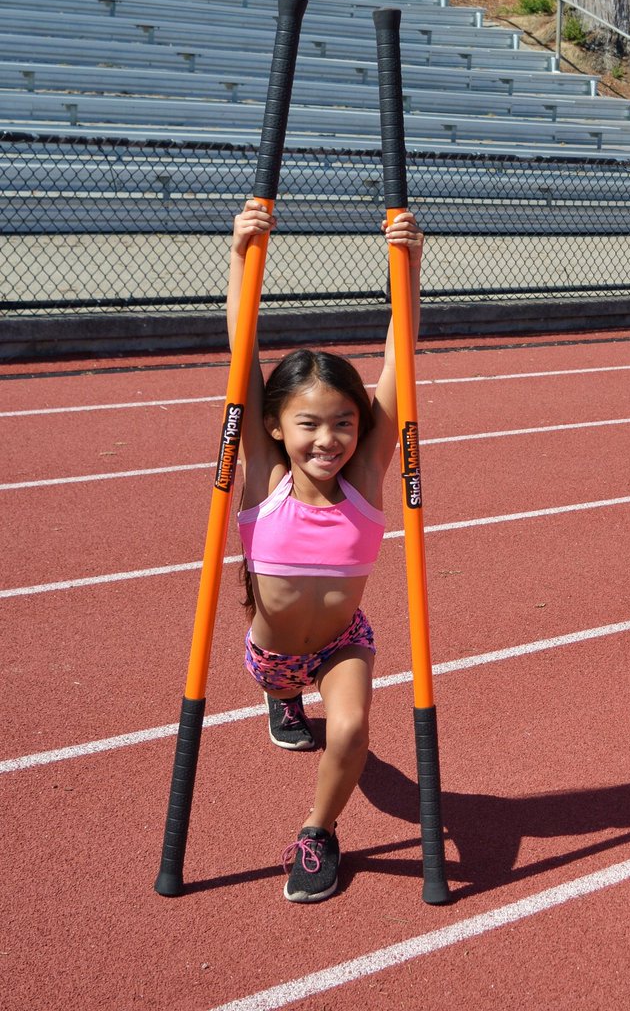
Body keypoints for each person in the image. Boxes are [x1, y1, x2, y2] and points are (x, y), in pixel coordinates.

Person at [228, 198, 423, 903]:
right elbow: (241, 358)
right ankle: (283, 704)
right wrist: (242, 257)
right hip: (273, 655)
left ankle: (318, 833)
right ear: (276, 428)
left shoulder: (366, 482)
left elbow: (398, 369)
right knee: (295, 704)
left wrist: (410, 267)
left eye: (343, 423)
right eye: (309, 423)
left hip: (344, 641)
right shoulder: (265, 475)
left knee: (351, 730)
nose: (328, 439)